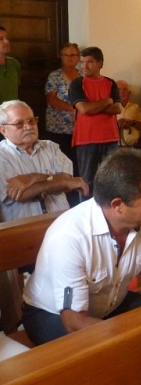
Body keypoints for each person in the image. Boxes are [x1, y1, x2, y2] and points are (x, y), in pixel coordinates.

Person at [22, 148, 141, 385]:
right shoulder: (71, 235)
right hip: (49, 313)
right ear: (118, 204)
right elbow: (74, 320)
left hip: (111, 301)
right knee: (90, 360)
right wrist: (127, 336)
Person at [0, 100, 88, 333]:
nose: (28, 126)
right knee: (26, 294)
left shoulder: (51, 146)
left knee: (65, 284)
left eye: (31, 120)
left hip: (60, 227)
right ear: (3, 129)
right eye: (19, 123)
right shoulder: (1, 156)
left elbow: (70, 182)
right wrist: (54, 181)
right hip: (21, 232)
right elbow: (18, 195)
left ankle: (67, 320)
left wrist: (32, 178)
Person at [68, 46, 122, 197]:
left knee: (112, 179)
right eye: (82, 62)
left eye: (89, 62)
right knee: (87, 181)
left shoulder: (111, 83)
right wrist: (107, 101)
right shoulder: (76, 84)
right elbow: (84, 109)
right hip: (87, 138)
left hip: (110, 137)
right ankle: (85, 215)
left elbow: (118, 108)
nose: (84, 66)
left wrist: (94, 106)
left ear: (100, 63)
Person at [44, 42, 80, 173]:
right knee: (59, 162)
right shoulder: (55, 76)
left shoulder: (84, 75)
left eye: (73, 55)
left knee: (77, 162)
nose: (69, 58)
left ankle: (76, 189)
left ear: (78, 57)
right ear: (61, 56)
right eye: (66, 55)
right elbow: (51, 99)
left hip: (79, 128)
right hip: (58, 128)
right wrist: (73, 109)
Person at [116, 80, 141, 147]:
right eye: (119, 90)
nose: (122, 92)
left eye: (125, 90)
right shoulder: (111, 109)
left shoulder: (136, 107)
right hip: (115, 147)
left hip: (134, 148)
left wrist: (132, 122)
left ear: (129, 93)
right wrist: (117, 124)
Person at [0, 26, 20, 104]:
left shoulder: (14, 63)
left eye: (7, 38)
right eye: (1, 39)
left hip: (12, 112)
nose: (6, 42)